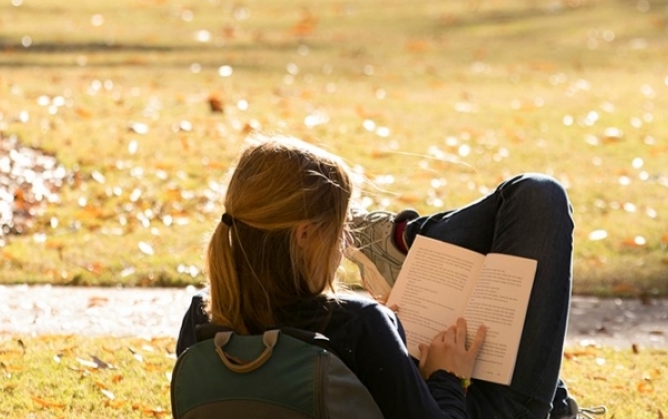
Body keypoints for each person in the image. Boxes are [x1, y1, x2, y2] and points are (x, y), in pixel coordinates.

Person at [178, 136, 593, 418]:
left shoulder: (199, 318)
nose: (345, 242)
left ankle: (405, 240)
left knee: (532, 198)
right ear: (304, 235)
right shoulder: (358, 322)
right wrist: (444, 375)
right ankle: (405, 239)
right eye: (341, 228)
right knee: (538, 197)